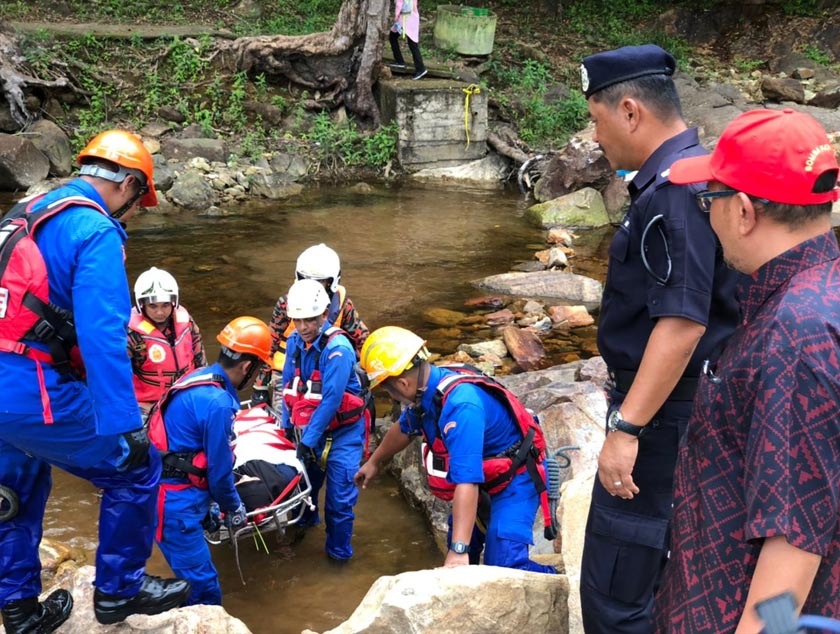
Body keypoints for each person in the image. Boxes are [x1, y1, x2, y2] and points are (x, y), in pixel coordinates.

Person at [653, 109, 840, 633]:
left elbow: (793, 545)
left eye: (706, 199)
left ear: (741, 211)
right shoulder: (820, 292)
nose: (704, 215)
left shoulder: (794, 334)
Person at [577, 45, 742, 633]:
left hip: (665, 415)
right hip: (677, 407)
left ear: (628, 111)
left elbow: (683, 321)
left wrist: (627, 428)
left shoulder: (674, 192)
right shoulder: (682, 178)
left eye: (595, 120)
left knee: (617, 582)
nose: (594, 137)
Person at [0, 129, 190, 633]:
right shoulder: (94, 229)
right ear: (128, 184)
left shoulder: (24, 212)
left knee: (13, 491)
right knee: (136, 465)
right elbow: (104, 332)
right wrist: (124, 423)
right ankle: (119, 590)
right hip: (30, 385)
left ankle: (19, 612)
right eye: (136, 200)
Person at [355, 326, 557, 573]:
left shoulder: (461, 406)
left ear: (403, 382)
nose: (391, 396)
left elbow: (467, 481)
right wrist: (374, 462)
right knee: (462, 548)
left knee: (503, 566)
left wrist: (458, 551)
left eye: (388, 389)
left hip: (516, 479)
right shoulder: (428, 391)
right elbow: (404, 428)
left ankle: (566, 588)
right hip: (487, 477)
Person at [149, 316, 282, 606]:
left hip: (167, 493)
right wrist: (233, 507)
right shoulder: (218, 404)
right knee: (205, 590)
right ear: (248, 367)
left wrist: (209, 507)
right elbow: (219, 474)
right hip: (175, 506)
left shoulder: (195, 378)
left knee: (192, 579)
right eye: (258, 368)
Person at [279, 278, 368, 561]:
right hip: (310, 431)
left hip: (343, 433)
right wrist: (285, 428)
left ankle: (338, 557)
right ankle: (302, 531)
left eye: (309, 320)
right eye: (298, 320)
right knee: (302, 493)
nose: (303, 327)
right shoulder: (294, 341)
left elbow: (330, 400)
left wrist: (306, 441)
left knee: (339, 502)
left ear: (324, 315)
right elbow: (287, 386)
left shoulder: (338, 349)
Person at [252, 243, 369, 407]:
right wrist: (260, 385)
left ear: (331, 282)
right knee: (287, 414)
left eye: (319, 282)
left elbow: (363, 341)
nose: (312, 286)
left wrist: (366, 377)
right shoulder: (287, 303)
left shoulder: (342, 305)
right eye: (306, 280)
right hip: (288, 370)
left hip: (325, 369)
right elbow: (270, 343)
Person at [128, 266, 206, 418]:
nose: (160, 312)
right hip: (148, 403)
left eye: (165, 305)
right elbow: (119, 376)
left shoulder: (185, 322)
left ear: (173, 302)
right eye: (153, 306)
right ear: (141, 304)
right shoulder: (132, 334)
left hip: (186, 393)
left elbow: (200, 357)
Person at [388, 0, 428, 80]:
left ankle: (420, 68)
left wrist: (396, 15)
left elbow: (399, 3)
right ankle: (400, 61)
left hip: (405, 18)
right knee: (408, 41)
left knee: (410, 43)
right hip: (412, 16)